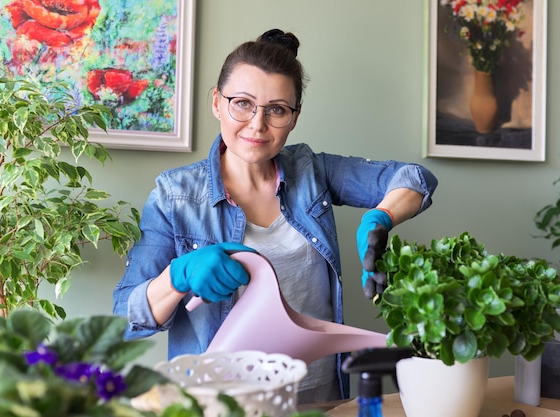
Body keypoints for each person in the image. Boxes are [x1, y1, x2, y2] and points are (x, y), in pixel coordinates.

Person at [113, 28, 438, 404]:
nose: (257, 124)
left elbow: (415, 179)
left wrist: (380, 218)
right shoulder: (174, 196)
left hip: (320, 395)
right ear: (217, 103)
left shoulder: (312, 172)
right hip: (224, 404)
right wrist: (178, 275)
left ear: (294, 117)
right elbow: (124, 318)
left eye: (277, 110)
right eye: (243, 103)